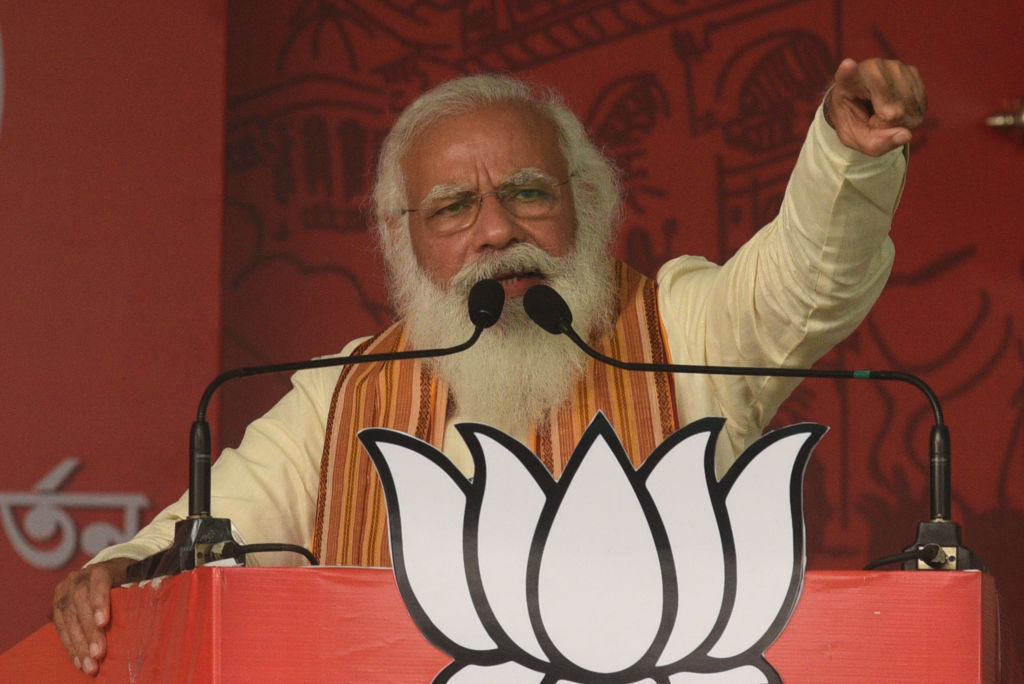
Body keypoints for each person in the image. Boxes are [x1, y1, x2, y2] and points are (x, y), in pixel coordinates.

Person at [53, 56, 925, 675]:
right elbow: (212, 527)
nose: (497, 230)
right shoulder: (346, 391)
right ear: (405, 241)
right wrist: (122, 572)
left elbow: (809, 284)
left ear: (585, 204)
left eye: (528, 193)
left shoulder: (677, 326)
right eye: (454, 208)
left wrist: (846, 157)